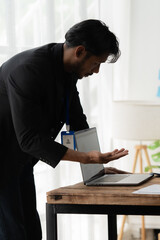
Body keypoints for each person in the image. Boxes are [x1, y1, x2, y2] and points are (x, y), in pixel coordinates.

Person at [0, 19, 129, 240]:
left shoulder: (67, 71)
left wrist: (97, 169)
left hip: (19, 160)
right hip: (3, 158)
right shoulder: (28, 70)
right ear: (80, 51)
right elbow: (30, 139)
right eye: (96, 63)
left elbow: (78, 122)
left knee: (31, 231)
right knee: (13, 234)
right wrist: (87, 158)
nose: (96, 71)